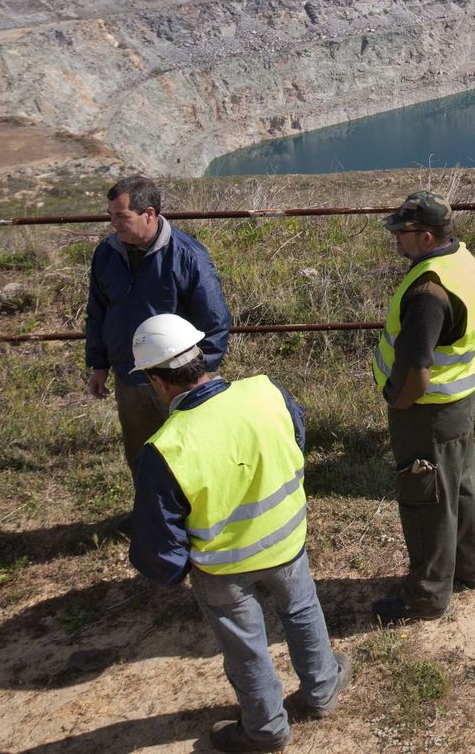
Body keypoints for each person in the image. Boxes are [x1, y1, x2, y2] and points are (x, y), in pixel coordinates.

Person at [127, 313, 350, 754]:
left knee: (246, 648)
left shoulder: (165, 448)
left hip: (223, 567)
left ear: (158, 381)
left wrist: (170, 571)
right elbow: (296, 437)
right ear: (199, 356)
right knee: (303, 610)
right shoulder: (267, 392)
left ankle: (266, 730)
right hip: (287, 541)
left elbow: (162, 537)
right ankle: (323, 689)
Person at [371, 191, 475, 624]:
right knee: (461, 486)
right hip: (460, 399)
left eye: (401, 233)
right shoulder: (463, 260)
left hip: (427, 408)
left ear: (424, 237)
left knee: (425, 501)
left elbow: (417, 369)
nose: (396, 240)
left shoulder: (427, 289)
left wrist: (401, 405)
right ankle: (470, 569)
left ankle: (426, 596)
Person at [85, 175, 230, 496]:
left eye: (121, 217)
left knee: (188, 451)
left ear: (149, 214)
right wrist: (99, 365)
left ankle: (195, 517)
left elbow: (215, 322)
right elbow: (98, 313)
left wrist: (193, 377)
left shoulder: (187, 256)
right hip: (131, 377)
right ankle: (150, 514)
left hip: (179, 381)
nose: (114, 224)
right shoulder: (106, 255)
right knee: (142, 454)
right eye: (110, 216)